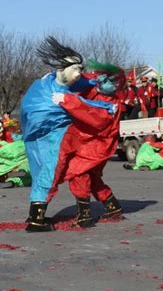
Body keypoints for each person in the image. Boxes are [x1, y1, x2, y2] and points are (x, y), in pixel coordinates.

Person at [21, 37, 111, 232]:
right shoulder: (55, 94)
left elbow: (82, 86)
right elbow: (83, 106)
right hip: (54, 138)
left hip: (49, 137)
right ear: (62, 69)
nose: (79, 73)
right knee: (50, 171)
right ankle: (36, 221)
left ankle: (38, 215)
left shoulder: (53, 82)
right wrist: (104, 106)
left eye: (80, 69)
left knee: (59, 170)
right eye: (76, 69)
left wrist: (94, 81)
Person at [51, 61, 126, 227]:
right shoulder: (96, 89)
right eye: (104, 78)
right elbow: (81, 81)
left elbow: (92, 115)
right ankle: (113, 206)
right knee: (92, 177)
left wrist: (67, 101)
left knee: (79, 172)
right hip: (87, 142)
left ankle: (84, 215)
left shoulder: (112, 104)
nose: (105, 82)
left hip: (96, 145)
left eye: (112, 81)